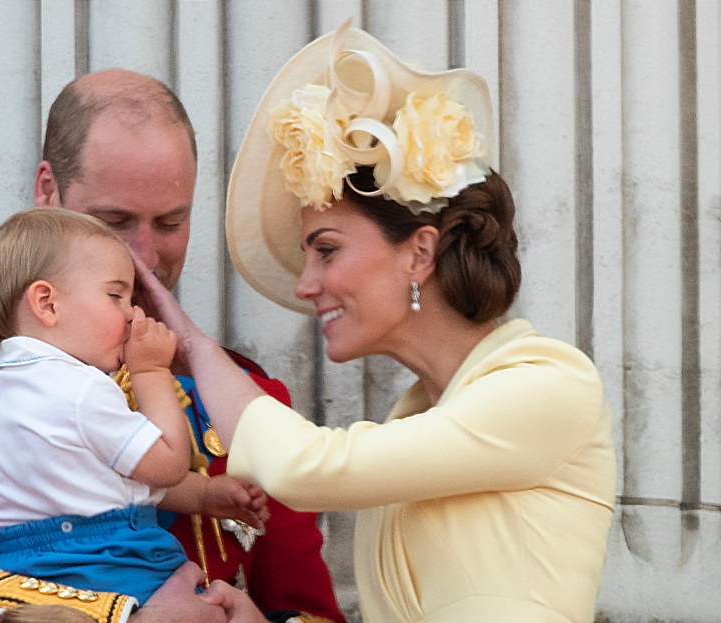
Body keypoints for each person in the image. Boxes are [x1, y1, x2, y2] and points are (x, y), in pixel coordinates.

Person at [136, 23, 618, 623]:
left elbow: (299, 468)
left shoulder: (550, 384)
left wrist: (195, 348)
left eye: (327, 250)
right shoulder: (418, 416)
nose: (304, 284)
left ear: (420, 252)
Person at [0, 69, 345, 623]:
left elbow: (309, 608)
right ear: (48, 190)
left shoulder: (242, 390)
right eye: (114, 222)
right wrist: (124, 617)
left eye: (171, 221)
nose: (144, 256)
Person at [0, 209, 267, 604]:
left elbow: (102, 485)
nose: (132, 315)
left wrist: (205, 495)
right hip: (107, 561)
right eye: (115, 296)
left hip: (27, 572)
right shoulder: (80, 387)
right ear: (47, 304)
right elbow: (167, 465)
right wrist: (150, 372)